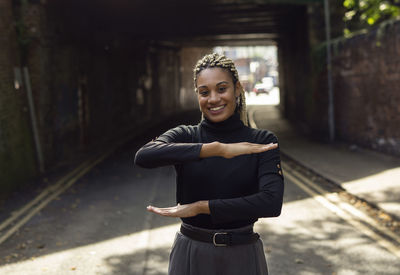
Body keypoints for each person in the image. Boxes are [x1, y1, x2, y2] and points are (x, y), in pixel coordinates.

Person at [134, 53, 284, 275]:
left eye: (221, 89)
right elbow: (144, 156)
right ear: (198, 95)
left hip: (242, 254)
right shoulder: (186, 135)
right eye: (204, 92)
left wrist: (201, 207)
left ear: (237, 89)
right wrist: (214, 149)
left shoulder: (262, 141)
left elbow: (270, 203)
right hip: (191, 253)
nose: (213, 99)